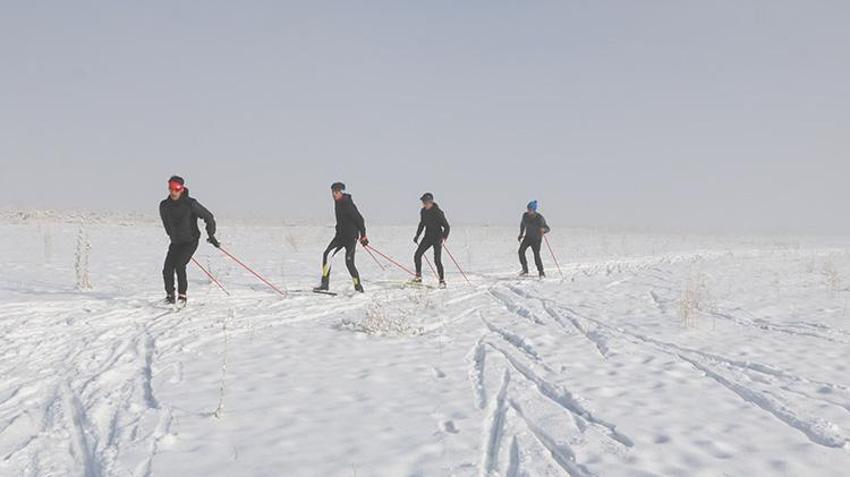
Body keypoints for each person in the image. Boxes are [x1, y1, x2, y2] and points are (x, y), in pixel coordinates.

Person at [159, 176, 219, 305]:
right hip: (176, 242)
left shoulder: (190, 204)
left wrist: (211, 235)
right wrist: (173, 235)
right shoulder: (164, 205)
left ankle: (182, 296)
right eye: (171, 188)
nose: (173, 192)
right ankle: (170, 295)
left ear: (182, 189)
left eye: (176, 188)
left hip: (190, 241)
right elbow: (166, 224)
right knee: (167, 269)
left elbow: (208, 217)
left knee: (180, 265)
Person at [315, 182, 368, 293]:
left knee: (349, 263)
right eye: (333, 192)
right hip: (339, 237)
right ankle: (325, 284)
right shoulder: (337, 202)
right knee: (327, 254)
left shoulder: (347, 203)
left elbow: (359, 219)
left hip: (350, 238)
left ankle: (358, 287)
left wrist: (363, 235)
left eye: (336, 192)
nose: (334, 194)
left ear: (341, 192)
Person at [413, 192, 450, 288]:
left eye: (425, 202)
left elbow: (446, 226)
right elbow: (422, 224)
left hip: (437, 238)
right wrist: (417, 235)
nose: (424, 204)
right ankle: (418, 277)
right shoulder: (423, 212)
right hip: (428, 237)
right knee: (417, 255)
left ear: (430, 202)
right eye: (423, 202)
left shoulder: (438, 212)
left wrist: (444, 238)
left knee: (437, 260)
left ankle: (442, 281)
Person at [518, 200, 550, 278]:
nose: (529, 211)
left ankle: (541, 272)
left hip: (536, 239)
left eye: (531, 209)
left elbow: (547, 228)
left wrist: (543, 230)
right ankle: (525, 269)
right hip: (528, 237)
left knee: (536, 255)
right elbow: (522, 225)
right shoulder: (525, 216)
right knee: (520, 251)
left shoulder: (539, 218)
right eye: (528, 209)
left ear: (534, 210)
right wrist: (521, 234)